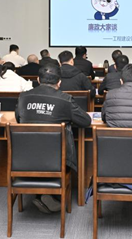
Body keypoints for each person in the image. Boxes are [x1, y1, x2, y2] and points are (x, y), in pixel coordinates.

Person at [16, 65, 92, 214]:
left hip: (25, 159)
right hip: (57, 161)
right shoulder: (65, 99)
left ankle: (43, 194)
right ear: (59, 82)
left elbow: (19, 119)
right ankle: (48, 195)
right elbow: (85, 121)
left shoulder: (23, 97)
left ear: (38, 80)